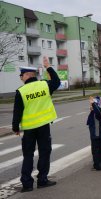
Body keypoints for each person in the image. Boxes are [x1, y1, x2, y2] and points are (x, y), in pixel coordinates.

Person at [12, 57, 60, 192]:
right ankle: (42, 180)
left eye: (21, 75)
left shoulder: (21, 91)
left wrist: (15, 127)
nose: (21, 77)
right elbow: (56, 82)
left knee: (28, 155)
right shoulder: (44, 85)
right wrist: (48, 67)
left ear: (28, 75)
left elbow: (17, 111)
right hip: (43, 126)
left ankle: (27, 184)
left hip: (28, 129)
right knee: (44, 153)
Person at [86, 96, 101, 171]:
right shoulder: (93, 112)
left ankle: (98, 166)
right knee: (98, 149)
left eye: (91, 105)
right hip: (95, 134)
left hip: (96, 134)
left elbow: (98, 112)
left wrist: (93, 103)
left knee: (96, 150)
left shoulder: (97, 111)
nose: (90, 106)